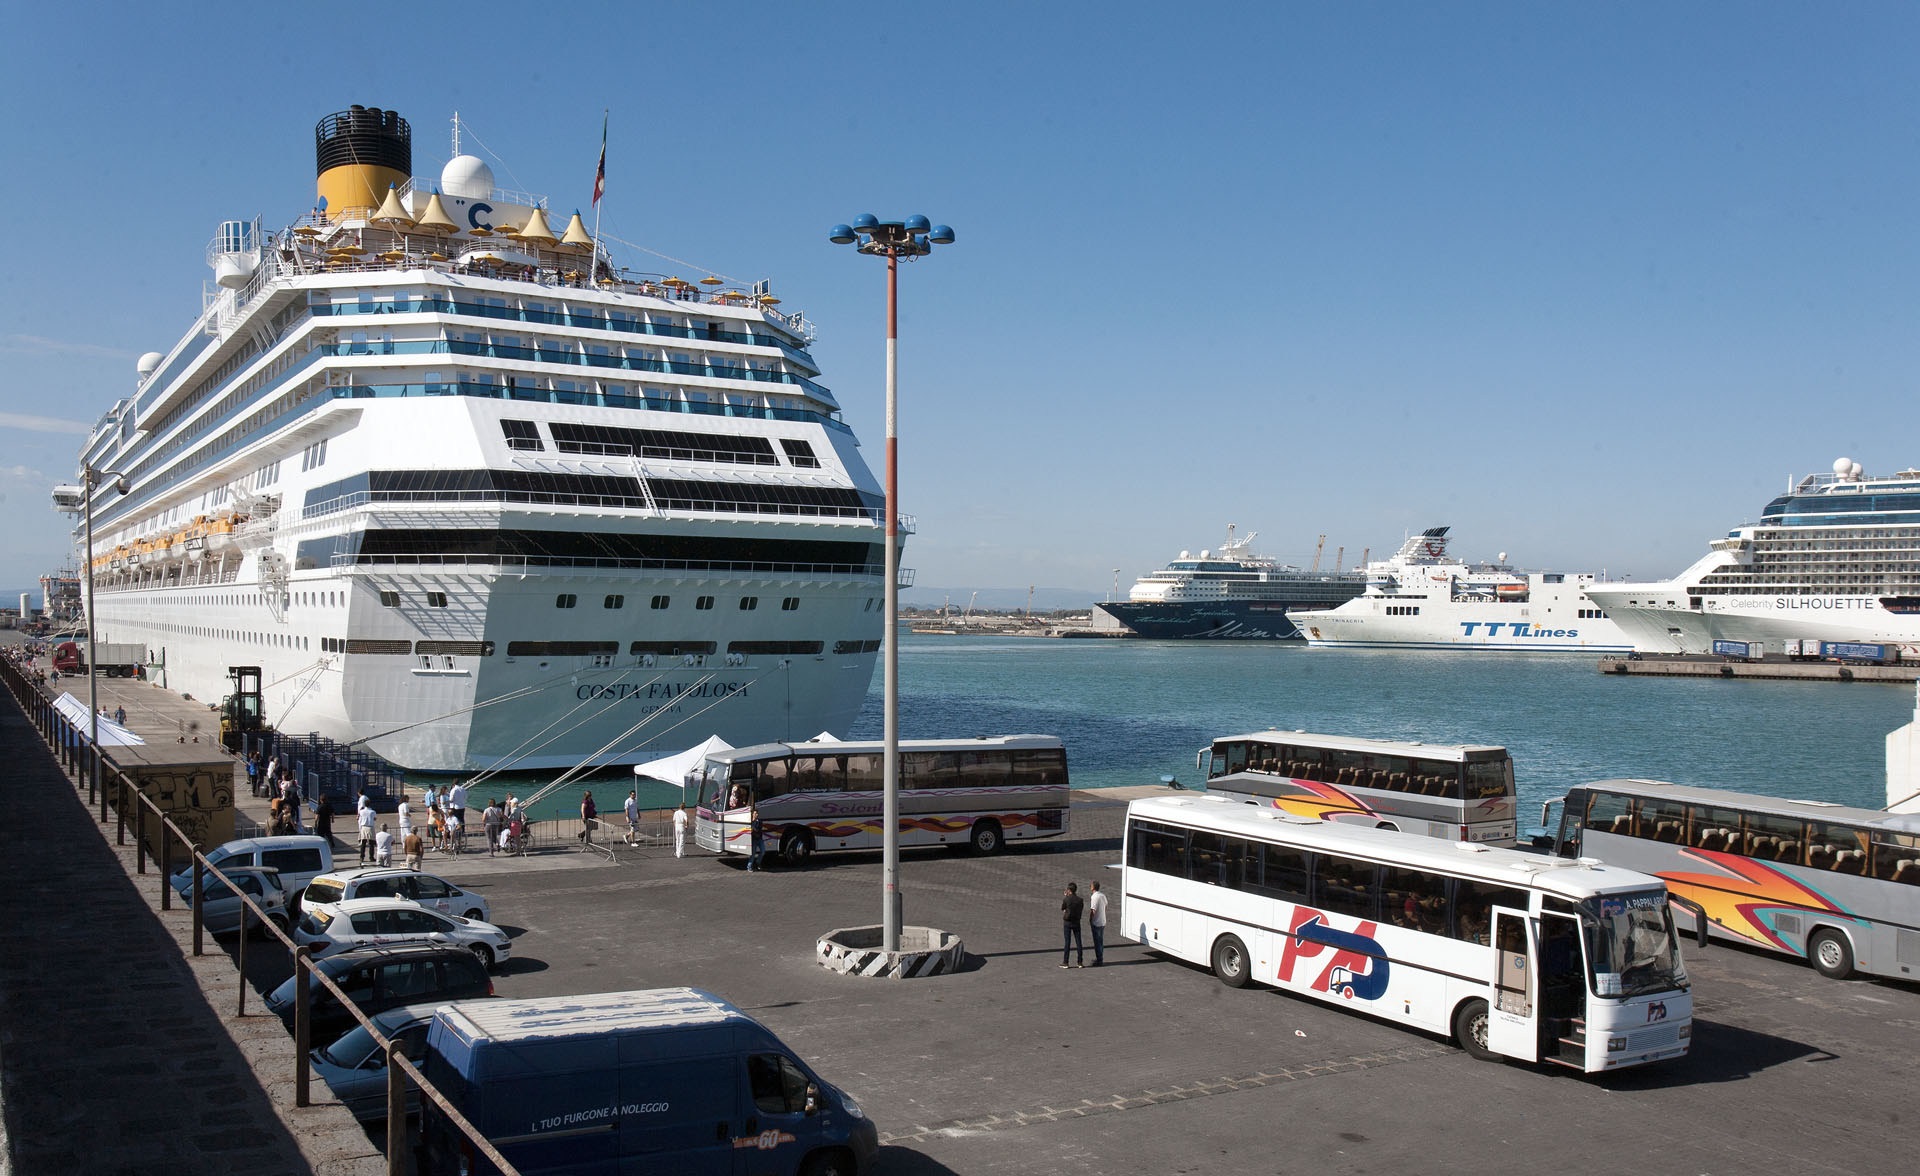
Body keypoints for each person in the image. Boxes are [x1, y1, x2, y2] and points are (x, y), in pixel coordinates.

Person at [1061, 882, 1086, 968]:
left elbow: (1063, 908)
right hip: (1076, 922)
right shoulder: (1080, 900)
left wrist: (1066, 897)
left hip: (1067, 922)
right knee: (1078, 942)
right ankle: (1080, 962)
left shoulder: (1066, 899)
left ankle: (1066, 962)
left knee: (1067, 942)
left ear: (1069, 890)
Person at [1087, 880, 1108, 966]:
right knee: (1100, 941)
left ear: (1093, 887)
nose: (1090, 886)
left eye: (1091, 885)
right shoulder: (1102, 895)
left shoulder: (1094, 897)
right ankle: (1100, 957)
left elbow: (1093, 910)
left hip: (1097, 922)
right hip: (1103, 921)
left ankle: (1099, 959)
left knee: (1097, 942)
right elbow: (1106, 905)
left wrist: (1090, 919)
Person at [448, 781, 469, 850]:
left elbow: (451, 799)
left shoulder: (453, 790)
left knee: (455, 821)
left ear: (453, 784)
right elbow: (466, 797)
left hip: (456, 807)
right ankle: (462, 831)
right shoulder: (463, 789)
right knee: (462, 820)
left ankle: (455, 832)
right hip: (462, 807)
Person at [357, 797, 377, 865]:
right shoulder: (373, 812)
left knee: (363, 843)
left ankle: (362, 857)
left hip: (363, 827)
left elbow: (359, 818)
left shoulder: (361, 811)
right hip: (370, 827)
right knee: (371, 843)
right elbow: (375, 819)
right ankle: (371, 857)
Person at [746, 805, 765, 872]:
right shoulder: (750, 821)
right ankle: (749, 866)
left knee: (763, 851)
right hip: (754, 839)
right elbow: (752, 829)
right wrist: (753, 824)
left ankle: (758, 862)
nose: (756, 814)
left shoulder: (760, 821)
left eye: (757, 813)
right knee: (753, 854)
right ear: (752, 814)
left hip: (759, 839)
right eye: (755, 813)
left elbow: (757, 829)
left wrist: (754, 829)